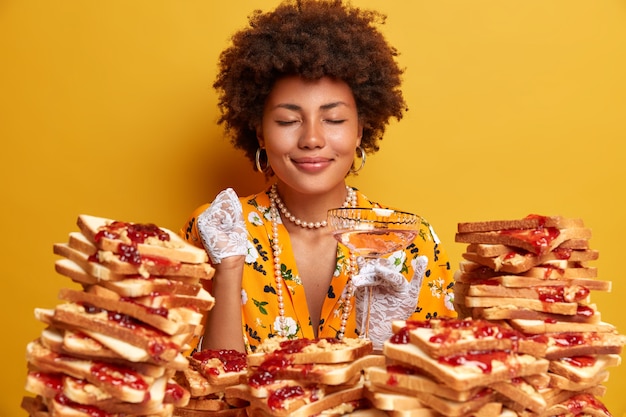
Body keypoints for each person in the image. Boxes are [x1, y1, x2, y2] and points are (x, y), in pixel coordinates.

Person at [180, 0, 456, 354]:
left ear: (360, 130)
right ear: (260, 134)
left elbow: (437, 391)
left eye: (334, 120)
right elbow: (204, 389)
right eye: (287, 120)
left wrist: (386, 342)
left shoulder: (410, 241)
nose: (312, 139)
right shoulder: (216, 229)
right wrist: (229, 271)